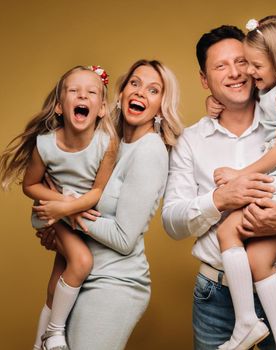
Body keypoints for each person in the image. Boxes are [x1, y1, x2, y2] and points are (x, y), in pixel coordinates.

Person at [161, 25, 276, 350]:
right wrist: (219, 200)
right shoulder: (190, 141)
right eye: (221, 66)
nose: (236, 73)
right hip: (215, 296)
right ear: (205, 80)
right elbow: (172, 222)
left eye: (243, 62)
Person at [37, 59, 183, 350]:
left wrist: (66, 210)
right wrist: (57, 230)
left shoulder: (150, 151)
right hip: (78, 276)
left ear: (161, 106)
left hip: (113, 284)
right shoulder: (108, 143)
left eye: (153, 90)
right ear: (121, 92)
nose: (141, 93)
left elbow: (124, 238)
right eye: (135, 83)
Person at [0, 65, 117, 350]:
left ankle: (39, 344)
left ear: (101, 109)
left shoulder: (106, 144)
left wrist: (71, 207)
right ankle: (54, 332)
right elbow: (30, 185)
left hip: (77, 217)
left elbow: (98, 191)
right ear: (60, 106)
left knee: (58, 283)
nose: (82, 96)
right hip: (50, 216)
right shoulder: (46, 145)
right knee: (82, 262)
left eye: (91, 93)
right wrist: (63, 204)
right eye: (74, 91)